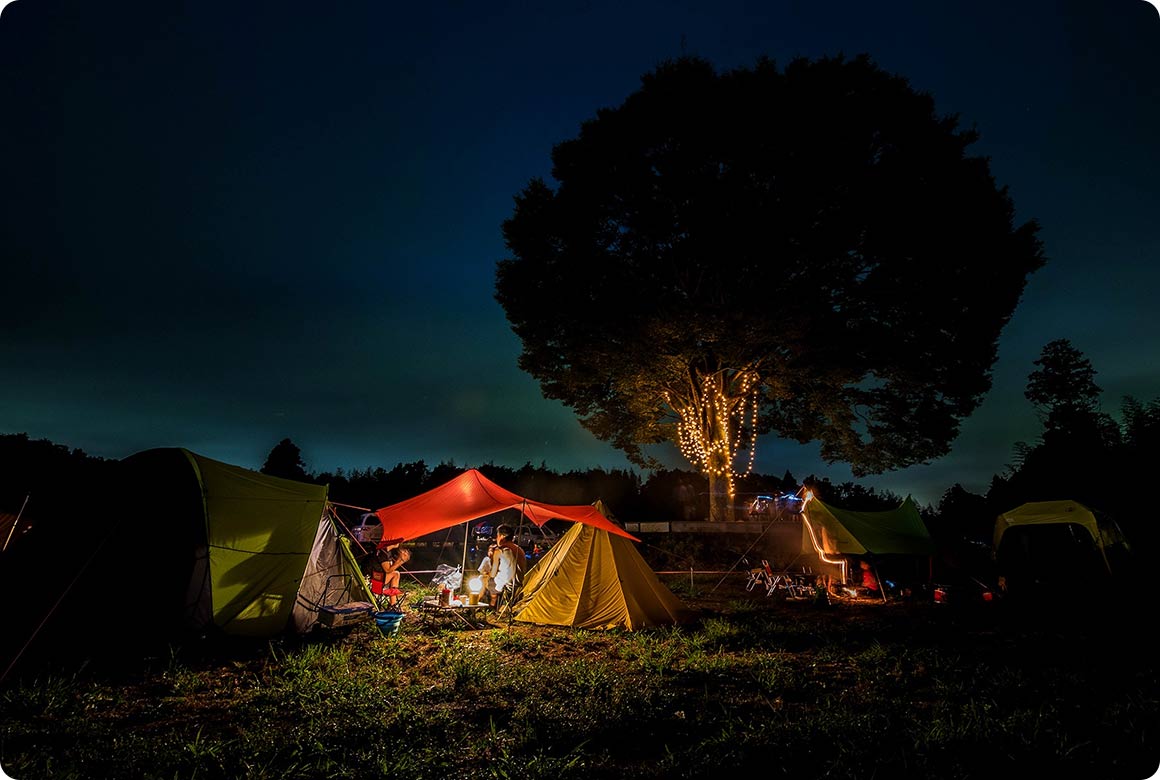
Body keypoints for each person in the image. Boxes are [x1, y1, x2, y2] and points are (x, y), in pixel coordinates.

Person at [477, 523, 526, 608]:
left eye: (497, 536)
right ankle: (494, 605)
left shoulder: (500, 550)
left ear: (502, 536)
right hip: (518, 585)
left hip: (505, 585)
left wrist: (487, 573)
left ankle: (475, 603)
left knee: (482, 578)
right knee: (493, 580)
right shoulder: (520, 549)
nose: (496, 539)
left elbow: (492, 574)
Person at [371, 541, 411, 608]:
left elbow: (391, 569)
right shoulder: (383, 553)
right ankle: (393, 604)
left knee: (395, 573)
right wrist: (400, 560)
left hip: (377, 578)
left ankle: (393, 604)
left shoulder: (387, 551)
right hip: (376, 581)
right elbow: (388, 570)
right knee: (396, 574)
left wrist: (400, 561)